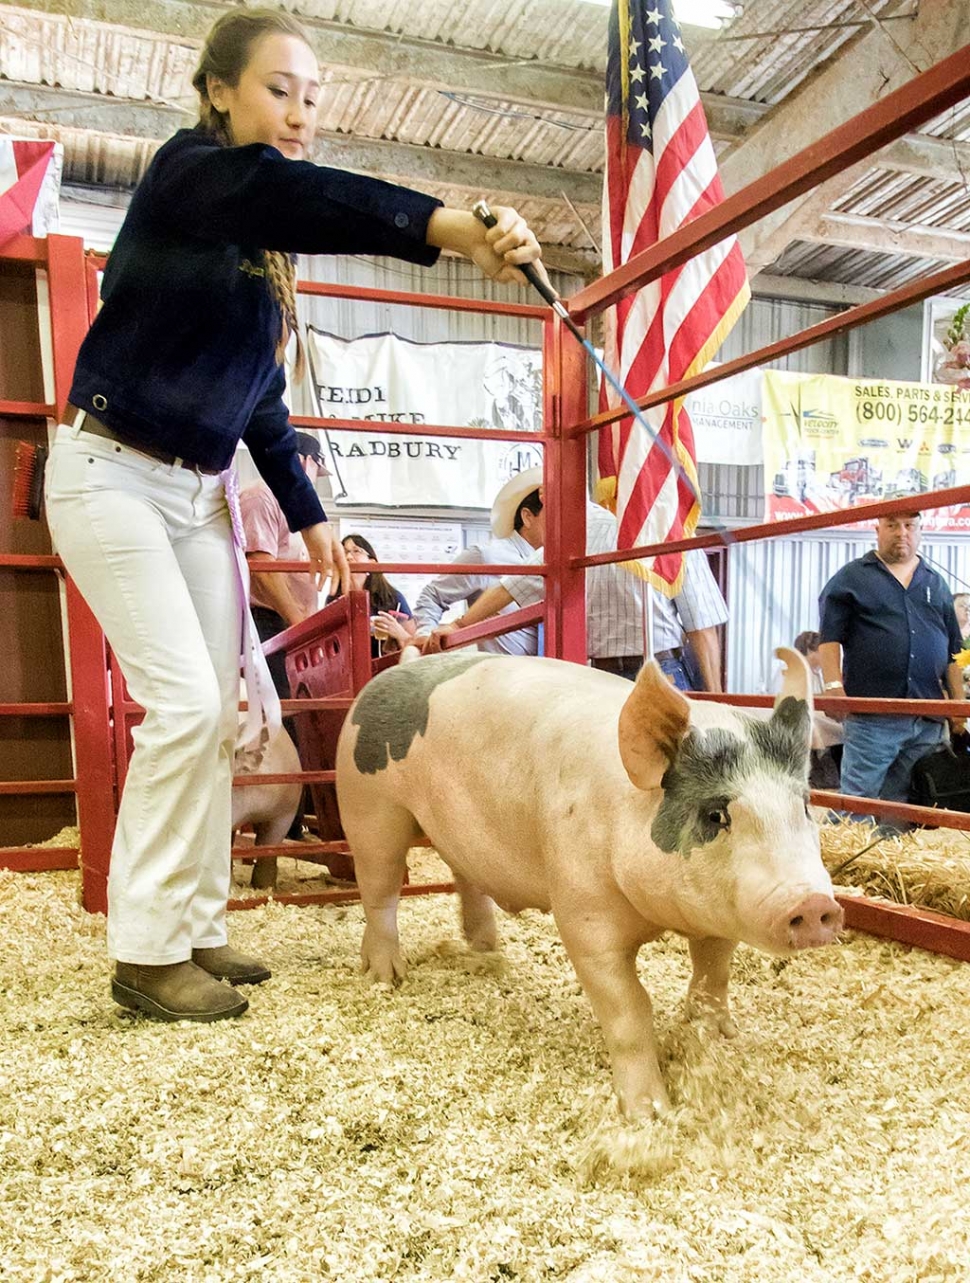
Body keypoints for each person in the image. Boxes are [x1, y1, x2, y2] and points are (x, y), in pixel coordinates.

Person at [43, 6, 546, 1023]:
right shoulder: (191, 176)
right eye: (279, 89)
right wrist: (441, 224)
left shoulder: (258, 265)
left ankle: (191, 924)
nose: (299, 113)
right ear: (220, 91)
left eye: (313, 98)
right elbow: (292, 191)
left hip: (194, 494)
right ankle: (144, 951)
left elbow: (264, 404)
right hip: (108, 474)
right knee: (183, 704)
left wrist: (313, 513)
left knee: (221, 711)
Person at [423, 482, 728, 690]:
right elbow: (702, 628)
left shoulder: (572, 541)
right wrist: (716, 700)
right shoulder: (670, 534)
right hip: (663, 670)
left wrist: (460, 625)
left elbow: (508, 588)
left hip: (600, 676)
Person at [818, 511, 965, 814]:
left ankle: (886, 857)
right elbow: (829, 637)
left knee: (908, 802)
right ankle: (847, 859)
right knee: (858, 800)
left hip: (927, 715)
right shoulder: (852, 577)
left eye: (909, 526)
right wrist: (833, 686)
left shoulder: (935, 584)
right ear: (877, 529)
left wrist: (958, 708)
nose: (902, 533)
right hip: (874, 714)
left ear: (920, 531)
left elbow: (952, 650)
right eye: (892, 525)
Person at [411, 467, 545, 656]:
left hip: (549, 675)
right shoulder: (487, 556)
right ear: (527, 517)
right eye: (553, 513)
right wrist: (425, 633)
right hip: (499, 677)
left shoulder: (557, 566)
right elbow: (433, 594)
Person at [339, 533, 416, 655]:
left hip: (385, 668)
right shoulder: (334, 599)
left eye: (356, 551)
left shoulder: (393, 598)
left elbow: (413, 646)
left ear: (372, 563)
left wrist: (397, 632)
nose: (348, 557)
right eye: (344, 552)